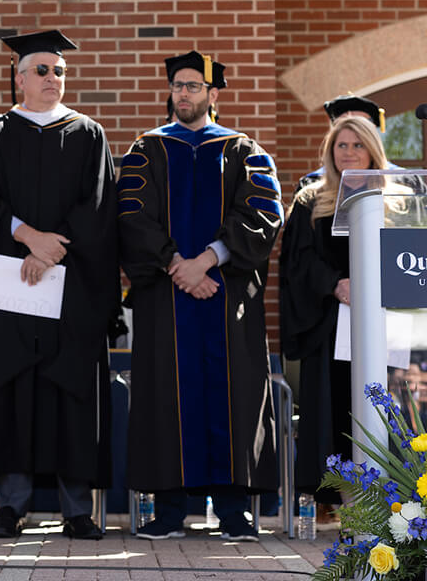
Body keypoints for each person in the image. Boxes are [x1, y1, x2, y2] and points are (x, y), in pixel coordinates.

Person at [0, 30, 118, 540]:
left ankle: (77, 509)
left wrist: (52, 251)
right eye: (43, 70)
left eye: (60, 71)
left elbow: (99, 208)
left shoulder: (89, 134)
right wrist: (28, 238)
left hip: (71, 290)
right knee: (14, 387)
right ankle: (11, 506)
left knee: (70, 389)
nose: (53, 78)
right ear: (19, 76)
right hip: (12, 289)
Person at [118, 51, 282, 541]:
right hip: (166, 299)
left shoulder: (245, 150)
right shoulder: (146, 149)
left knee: (232, 393)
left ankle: (235, 512)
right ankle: (168, 511)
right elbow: (130, 218)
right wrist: (177, 265)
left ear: (214, 94)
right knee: (165, 396)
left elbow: (262, 215)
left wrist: (207, 260)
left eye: (193, 86)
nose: (183, 94)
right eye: (178, 86)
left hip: (225, 297)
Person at [280, 115, 392, 515]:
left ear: (372, 151)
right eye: (340, 146)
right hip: (330, 329)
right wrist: (335, 284)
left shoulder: (394, 199)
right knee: (336, 418)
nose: (348, 153)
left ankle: (390, 508)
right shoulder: (312, 201)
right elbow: (298, 262)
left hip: (383, 331)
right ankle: (349, 510)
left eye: (356, 145)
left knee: (380, 415)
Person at [297, 95, 387, 191]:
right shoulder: (311, 189)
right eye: (342, 145)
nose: (349, 152)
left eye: (358, 145)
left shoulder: (397, 182)